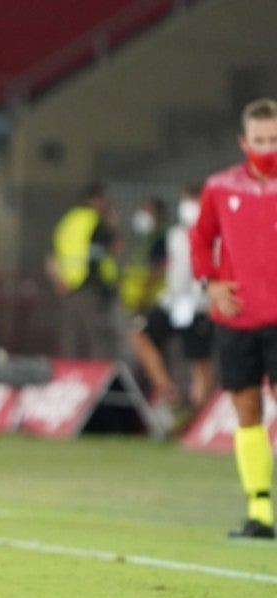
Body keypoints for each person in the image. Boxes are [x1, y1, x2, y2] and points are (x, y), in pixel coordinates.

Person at [190, 97, 277, 540]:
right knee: (247, 409)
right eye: (260, 140)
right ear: (244, 141)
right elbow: (201, 240)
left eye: (275, 139)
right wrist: (210, 283)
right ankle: (259, 509)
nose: (268, 147)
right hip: (238, 318)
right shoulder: (220, 187)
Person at [128, 185, 213, 431]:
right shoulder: (175, 235)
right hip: (172, 302)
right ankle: (167, 389)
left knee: (199, 361)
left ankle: (196, 418)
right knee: (139, 335)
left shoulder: (217, 234)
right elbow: (162, 268)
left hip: (199, 305)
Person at [47, 182, 124, 359]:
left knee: (71, 336)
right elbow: (118, 247)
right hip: (91, 286)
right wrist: (113, 223)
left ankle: (71, 376)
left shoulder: (68, 220)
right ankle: (96, 377)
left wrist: (59, 281)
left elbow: (51, 256)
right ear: (97, 199)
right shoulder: (96, 221)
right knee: (97, 336)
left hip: (69, 286)